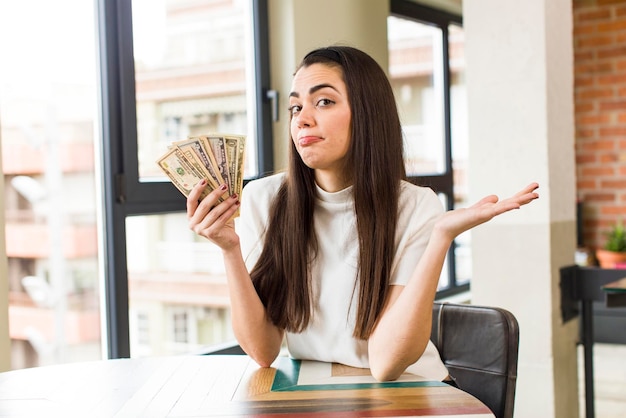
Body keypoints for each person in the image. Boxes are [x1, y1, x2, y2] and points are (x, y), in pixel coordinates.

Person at [187, 45, 539, 382]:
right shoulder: (263, 199)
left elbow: (385, 365)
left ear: (368, 113)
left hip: (410, 389)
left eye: (324, 102)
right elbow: (263, 351)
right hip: (316, 391)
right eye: (296, 108)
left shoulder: (414, 205)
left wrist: (440, 238)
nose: (303, 120)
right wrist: (229, 250)